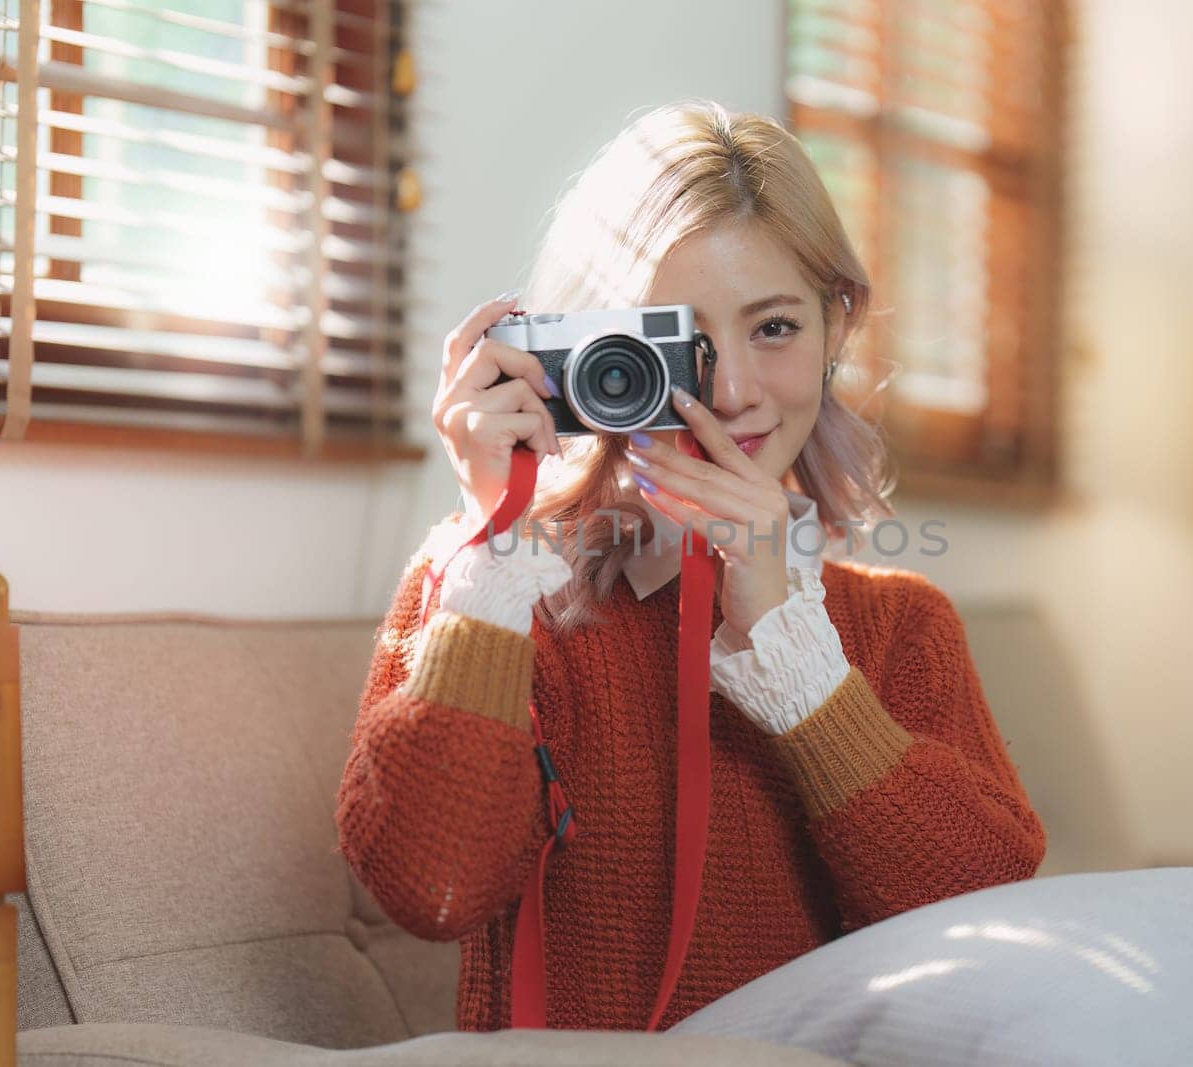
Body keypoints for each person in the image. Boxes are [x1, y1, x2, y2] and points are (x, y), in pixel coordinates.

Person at [334, 99, 1046, 1034]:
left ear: (839, 326)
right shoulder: (487, 597)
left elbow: (987, 923)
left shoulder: (897, 628)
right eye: (679, 344)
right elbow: (433, 888)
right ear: (588, 356)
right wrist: (493, 543)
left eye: (776, 328)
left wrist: (798, 666)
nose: (736, 391)